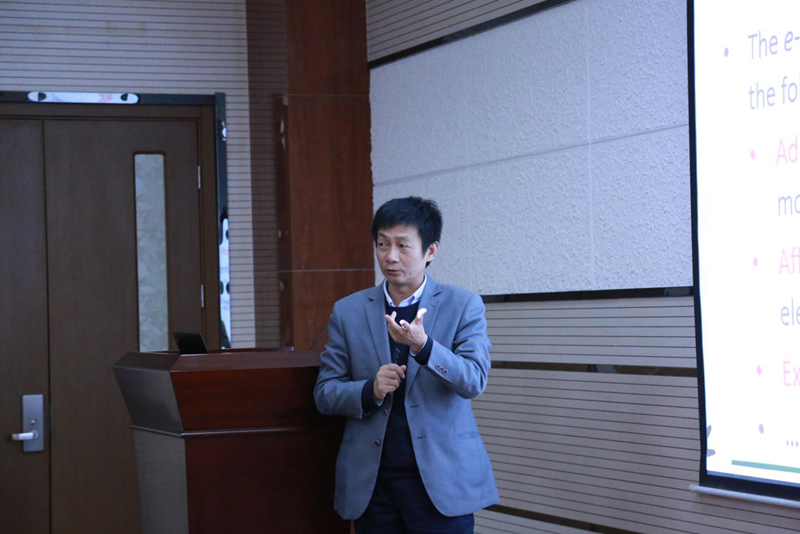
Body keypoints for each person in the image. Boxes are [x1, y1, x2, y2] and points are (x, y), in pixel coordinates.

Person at [314, 196, 498, 534]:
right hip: (373, 485)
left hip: (442, 482)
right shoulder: (348, 311)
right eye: (382, 244)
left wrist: (424, 348)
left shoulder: (463, 305)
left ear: (431, 251)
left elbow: (474, 380)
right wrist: (369, 390)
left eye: (402, 245)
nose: (390, 256)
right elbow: (325, 393)